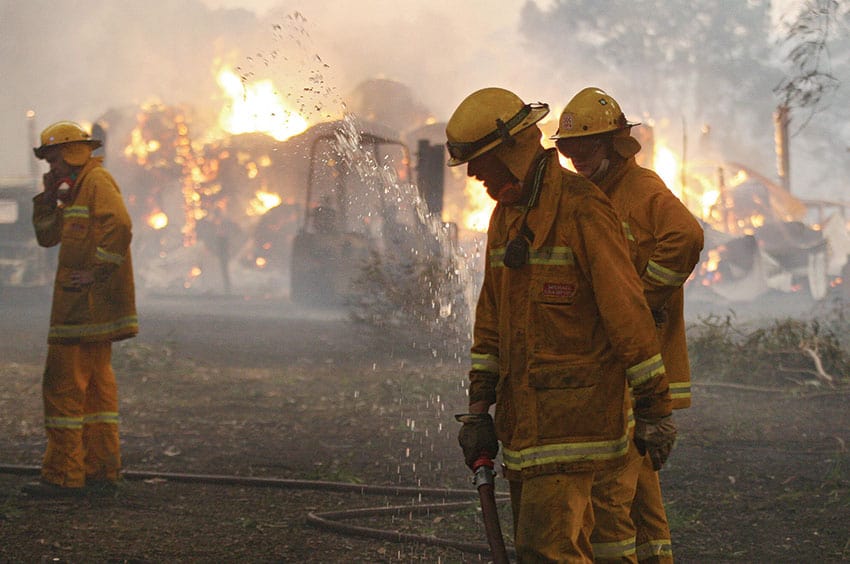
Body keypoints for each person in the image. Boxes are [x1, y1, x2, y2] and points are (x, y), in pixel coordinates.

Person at [448, 87, 676, 562]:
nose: (473, 174)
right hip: (525, 427)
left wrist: (655, 408)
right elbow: (490, 320)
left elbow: (627, 313)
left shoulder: (582, 209)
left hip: (577, 423)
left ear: (513, 149)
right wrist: (478, 406)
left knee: (548, 552)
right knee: (549, 548)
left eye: (481, 160)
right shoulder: (505, 217)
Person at [552, 87, 704, 562]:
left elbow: (687, 236)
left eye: (586, 147)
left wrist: (641, 299)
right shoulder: (596, 193)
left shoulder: (640, 189)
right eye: (569, 149)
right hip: (620, 358)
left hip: (639, 361)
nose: (576, 159)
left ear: (616, 143)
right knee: (640, 485)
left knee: (614, 485)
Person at [23, 121, 138, 497]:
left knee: (63, 390)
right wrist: (47, 197)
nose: (50, 167)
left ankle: (64, 476)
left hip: (81, 310)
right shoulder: (75, 189)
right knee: (95, 394)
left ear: (72, 153)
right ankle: (100, 470)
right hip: (86, 312)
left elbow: (120, 225)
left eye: (53, 159)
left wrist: (95, 273)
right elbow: (47, 238)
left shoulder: (97, 181)